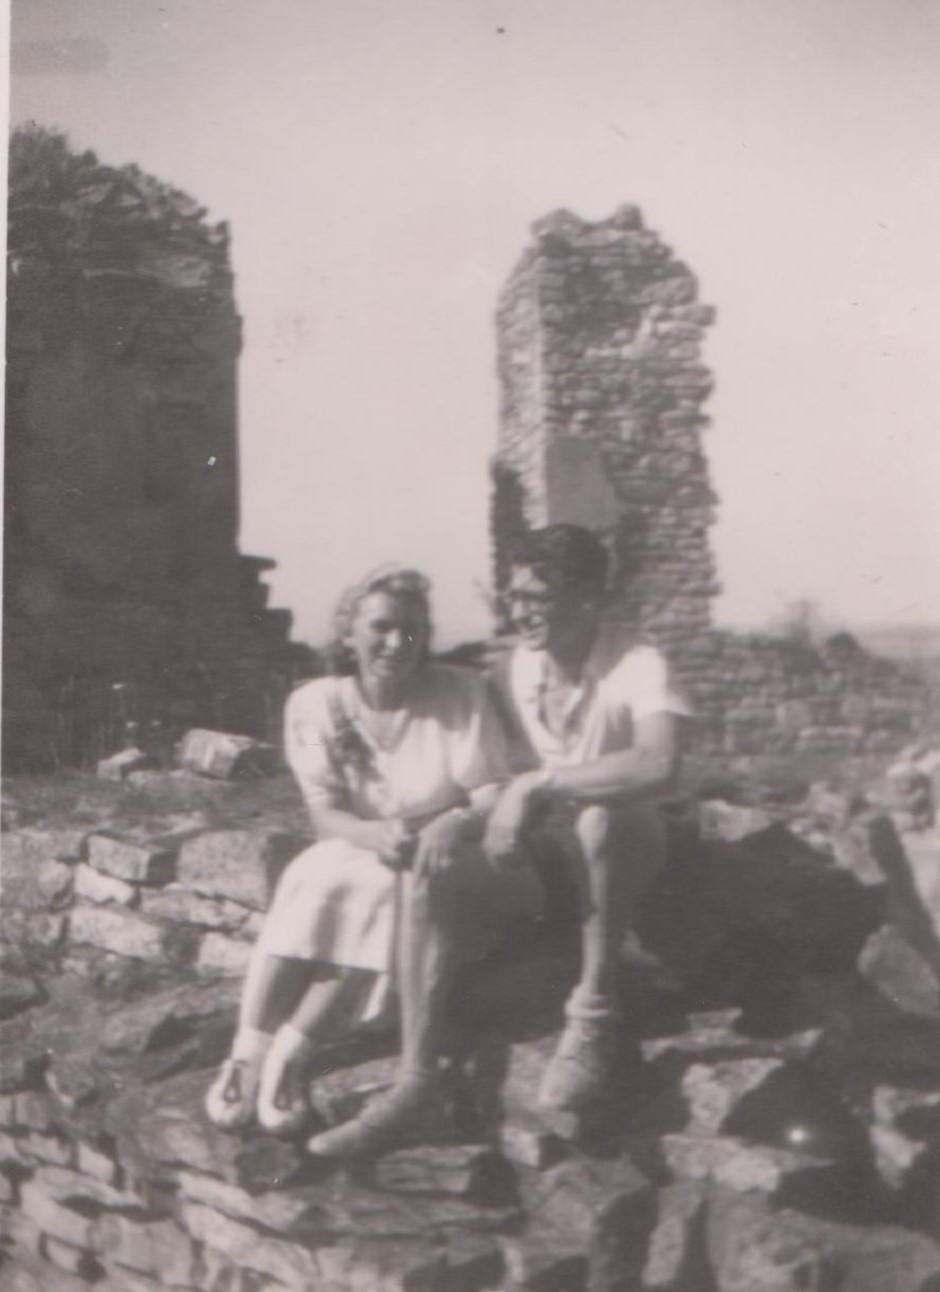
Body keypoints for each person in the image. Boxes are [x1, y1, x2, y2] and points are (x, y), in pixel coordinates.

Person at [205, 565, 540, 1158]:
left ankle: (292, 1052)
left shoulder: (460, 694)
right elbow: (325, 814)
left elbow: (492, 791)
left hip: (447, 845)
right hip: (364, 839)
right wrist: (370, 834)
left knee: (389, 892)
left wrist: (451, 822)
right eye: (381, 627)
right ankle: (247, 1053)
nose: (396, 642)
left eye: (412, 629)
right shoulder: (314, 703)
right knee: (309, 876)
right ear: (348, 633)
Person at [484, 524, 689, 1112]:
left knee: (602, 817)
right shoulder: (518, 669)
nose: (519, 613)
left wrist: (538, 783)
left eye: (536, 598)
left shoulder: (639, 663)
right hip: (559, 849)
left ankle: (594, 1014)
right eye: (514, 597)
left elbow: (658, 764)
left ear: (587, 597)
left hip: (639, 845)